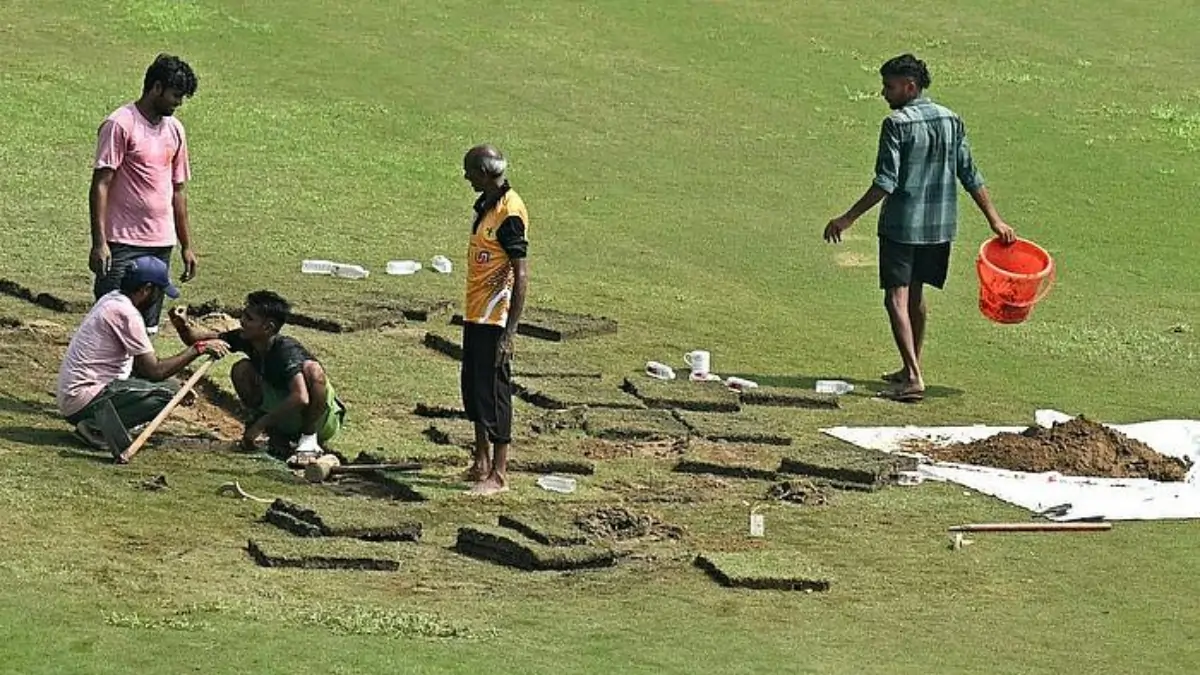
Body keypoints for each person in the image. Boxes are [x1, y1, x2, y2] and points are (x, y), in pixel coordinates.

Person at [823, 54, 1016, 402]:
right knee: (916, 295)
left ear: (910, 87)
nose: (885, 93)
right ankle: (911, 366)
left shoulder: (896, 124)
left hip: (901, 226)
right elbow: (969, 173)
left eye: (890, 86)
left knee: (895, 298)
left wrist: (848, 218)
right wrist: (995, 220)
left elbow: (885, 183)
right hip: (939, 228)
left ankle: (912, 377)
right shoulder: (951, 119)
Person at [56, 256, 229, 462]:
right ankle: (95, 428)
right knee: (169, 394)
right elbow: (154, 371)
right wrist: (198, 349)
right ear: (146, 289)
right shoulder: (127, 314)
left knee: (172, 386)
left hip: (77, 397)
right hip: (85, 399)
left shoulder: (111, 299)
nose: (159, 299)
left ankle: (97, 423)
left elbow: (142, 366)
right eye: (159, 292)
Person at [89, 53, 199, 334]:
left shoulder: (175, 130)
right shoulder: (120, 124)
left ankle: (139, 378)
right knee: (109, 322)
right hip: (121, 242)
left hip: (161, 243)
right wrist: (100, 243)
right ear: (157, 87)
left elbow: (178, 190)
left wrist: (185, 245)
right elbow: (101, 183)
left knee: (147, 327)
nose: (178, 103)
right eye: (176, 95)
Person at [170, 290, 345, 462]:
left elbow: (301, 397)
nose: (242, 321)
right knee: (241, 369)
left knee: (314, 371)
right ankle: (275, 433)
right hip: (287, 414)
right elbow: (202, 339)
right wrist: (182, 324)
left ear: (268, 327)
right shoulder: (247, 338)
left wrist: (260, 425)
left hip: (319, 421)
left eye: (249, 319)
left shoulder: (286, 350)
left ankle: (308, 439)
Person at [459, 144, 530, 496]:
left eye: (470, 171)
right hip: (475, 313)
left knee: (496, 392)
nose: (465, 177)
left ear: (486, 173)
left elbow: (521, 274)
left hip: (495, 317)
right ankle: (481, 462)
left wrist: (509, 333)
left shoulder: (509, 212)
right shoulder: (485, 205)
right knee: (473, 389)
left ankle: (499, 474)